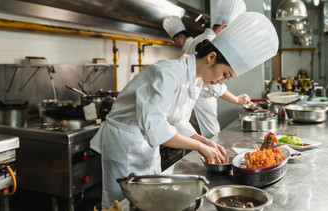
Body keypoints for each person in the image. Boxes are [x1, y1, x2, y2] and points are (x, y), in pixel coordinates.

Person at [90, 11, 279, 209]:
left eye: (227, 79)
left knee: (145, 201)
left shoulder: (195, 80)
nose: (221, 82)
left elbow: (177, 121)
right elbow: (155, 126)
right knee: (119, 203)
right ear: (211, 57)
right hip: (124, 143)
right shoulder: (167, 73)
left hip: (147, 146)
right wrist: (199, 147)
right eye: (224, 74)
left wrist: (203, 140)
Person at [185, 0, 251, 138]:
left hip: (192, 105)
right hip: (200, 106)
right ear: (223, 28)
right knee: (208, 142)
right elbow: (214, 85)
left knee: (195, 143)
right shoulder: (211, 42)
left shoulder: (198, 39)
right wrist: (236, 100)